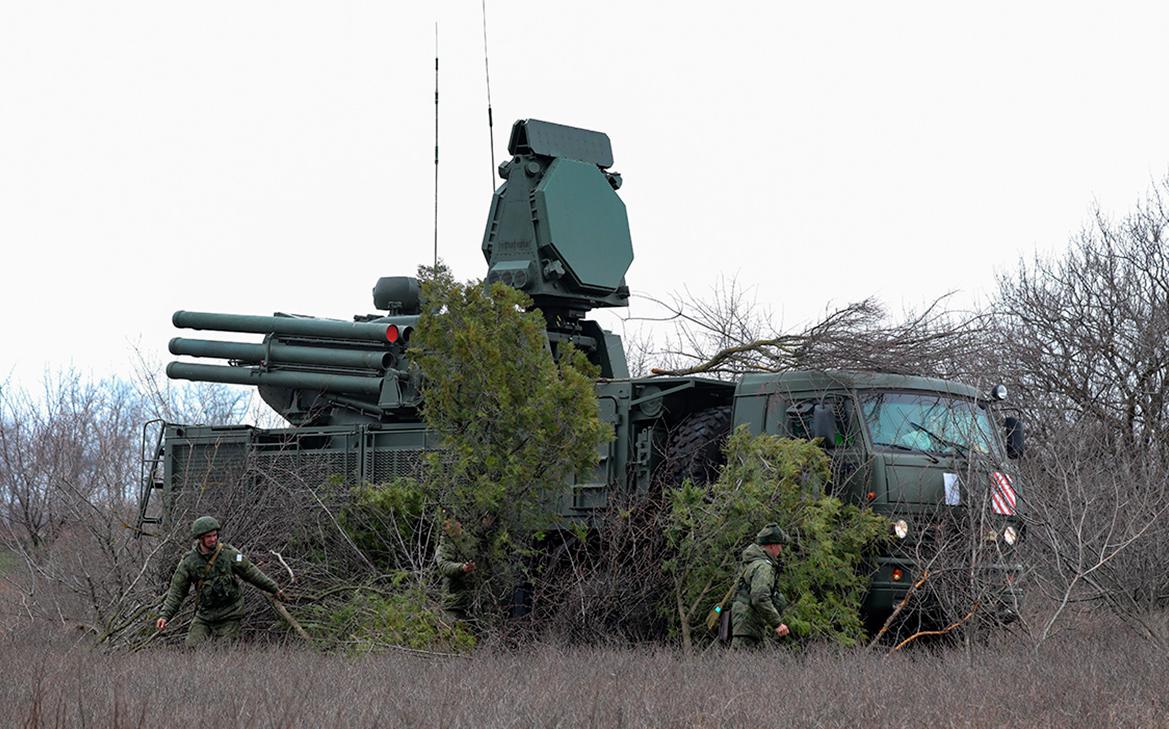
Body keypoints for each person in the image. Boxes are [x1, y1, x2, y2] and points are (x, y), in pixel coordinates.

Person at [155, 516, 285, 648]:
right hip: (204, 614)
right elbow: (177, 591)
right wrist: (165, 616)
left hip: (230, 613)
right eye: (208, 536)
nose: (213, 539)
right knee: (191, 646)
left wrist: (274, 588)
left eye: (214, 535)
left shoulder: (229, 554)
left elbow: (252, 573)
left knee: (224, 650)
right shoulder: (189, 561)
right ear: (200, 538)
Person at [730, 522, 791, 649]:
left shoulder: (752, 562)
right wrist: (777, 623)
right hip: (748, 625)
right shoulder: (763, 567)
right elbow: (760, 597)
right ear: (773, 546)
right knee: (739, 664)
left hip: (746, 623)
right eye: (780, 545)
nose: (781, 549)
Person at [435, 516, 477, 621]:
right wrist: (462, 568)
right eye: (445, 525)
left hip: (476, 601)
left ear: (459, 523)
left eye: (451, 523)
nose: (448, 527)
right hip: (454, 603)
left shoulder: (471, 541)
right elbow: (445, 566)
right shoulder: (443, 547)